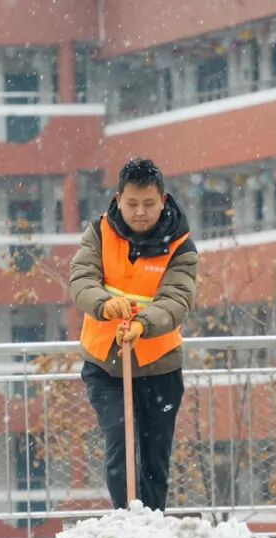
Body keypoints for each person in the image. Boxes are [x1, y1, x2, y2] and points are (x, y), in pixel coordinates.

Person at [69, 158, 197, 511]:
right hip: (106, 365)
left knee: (155, 455)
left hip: (160, 367)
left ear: (163, 199)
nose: (140, 213)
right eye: (132, 204)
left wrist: (144, 324)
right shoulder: (97, 234)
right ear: (118, 199)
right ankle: (126, 517)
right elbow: (82, 280)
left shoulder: (181, 247)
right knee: (120, 443)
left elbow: (177, 298)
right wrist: (104, 305)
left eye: (149, 204)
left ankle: (152, 522)